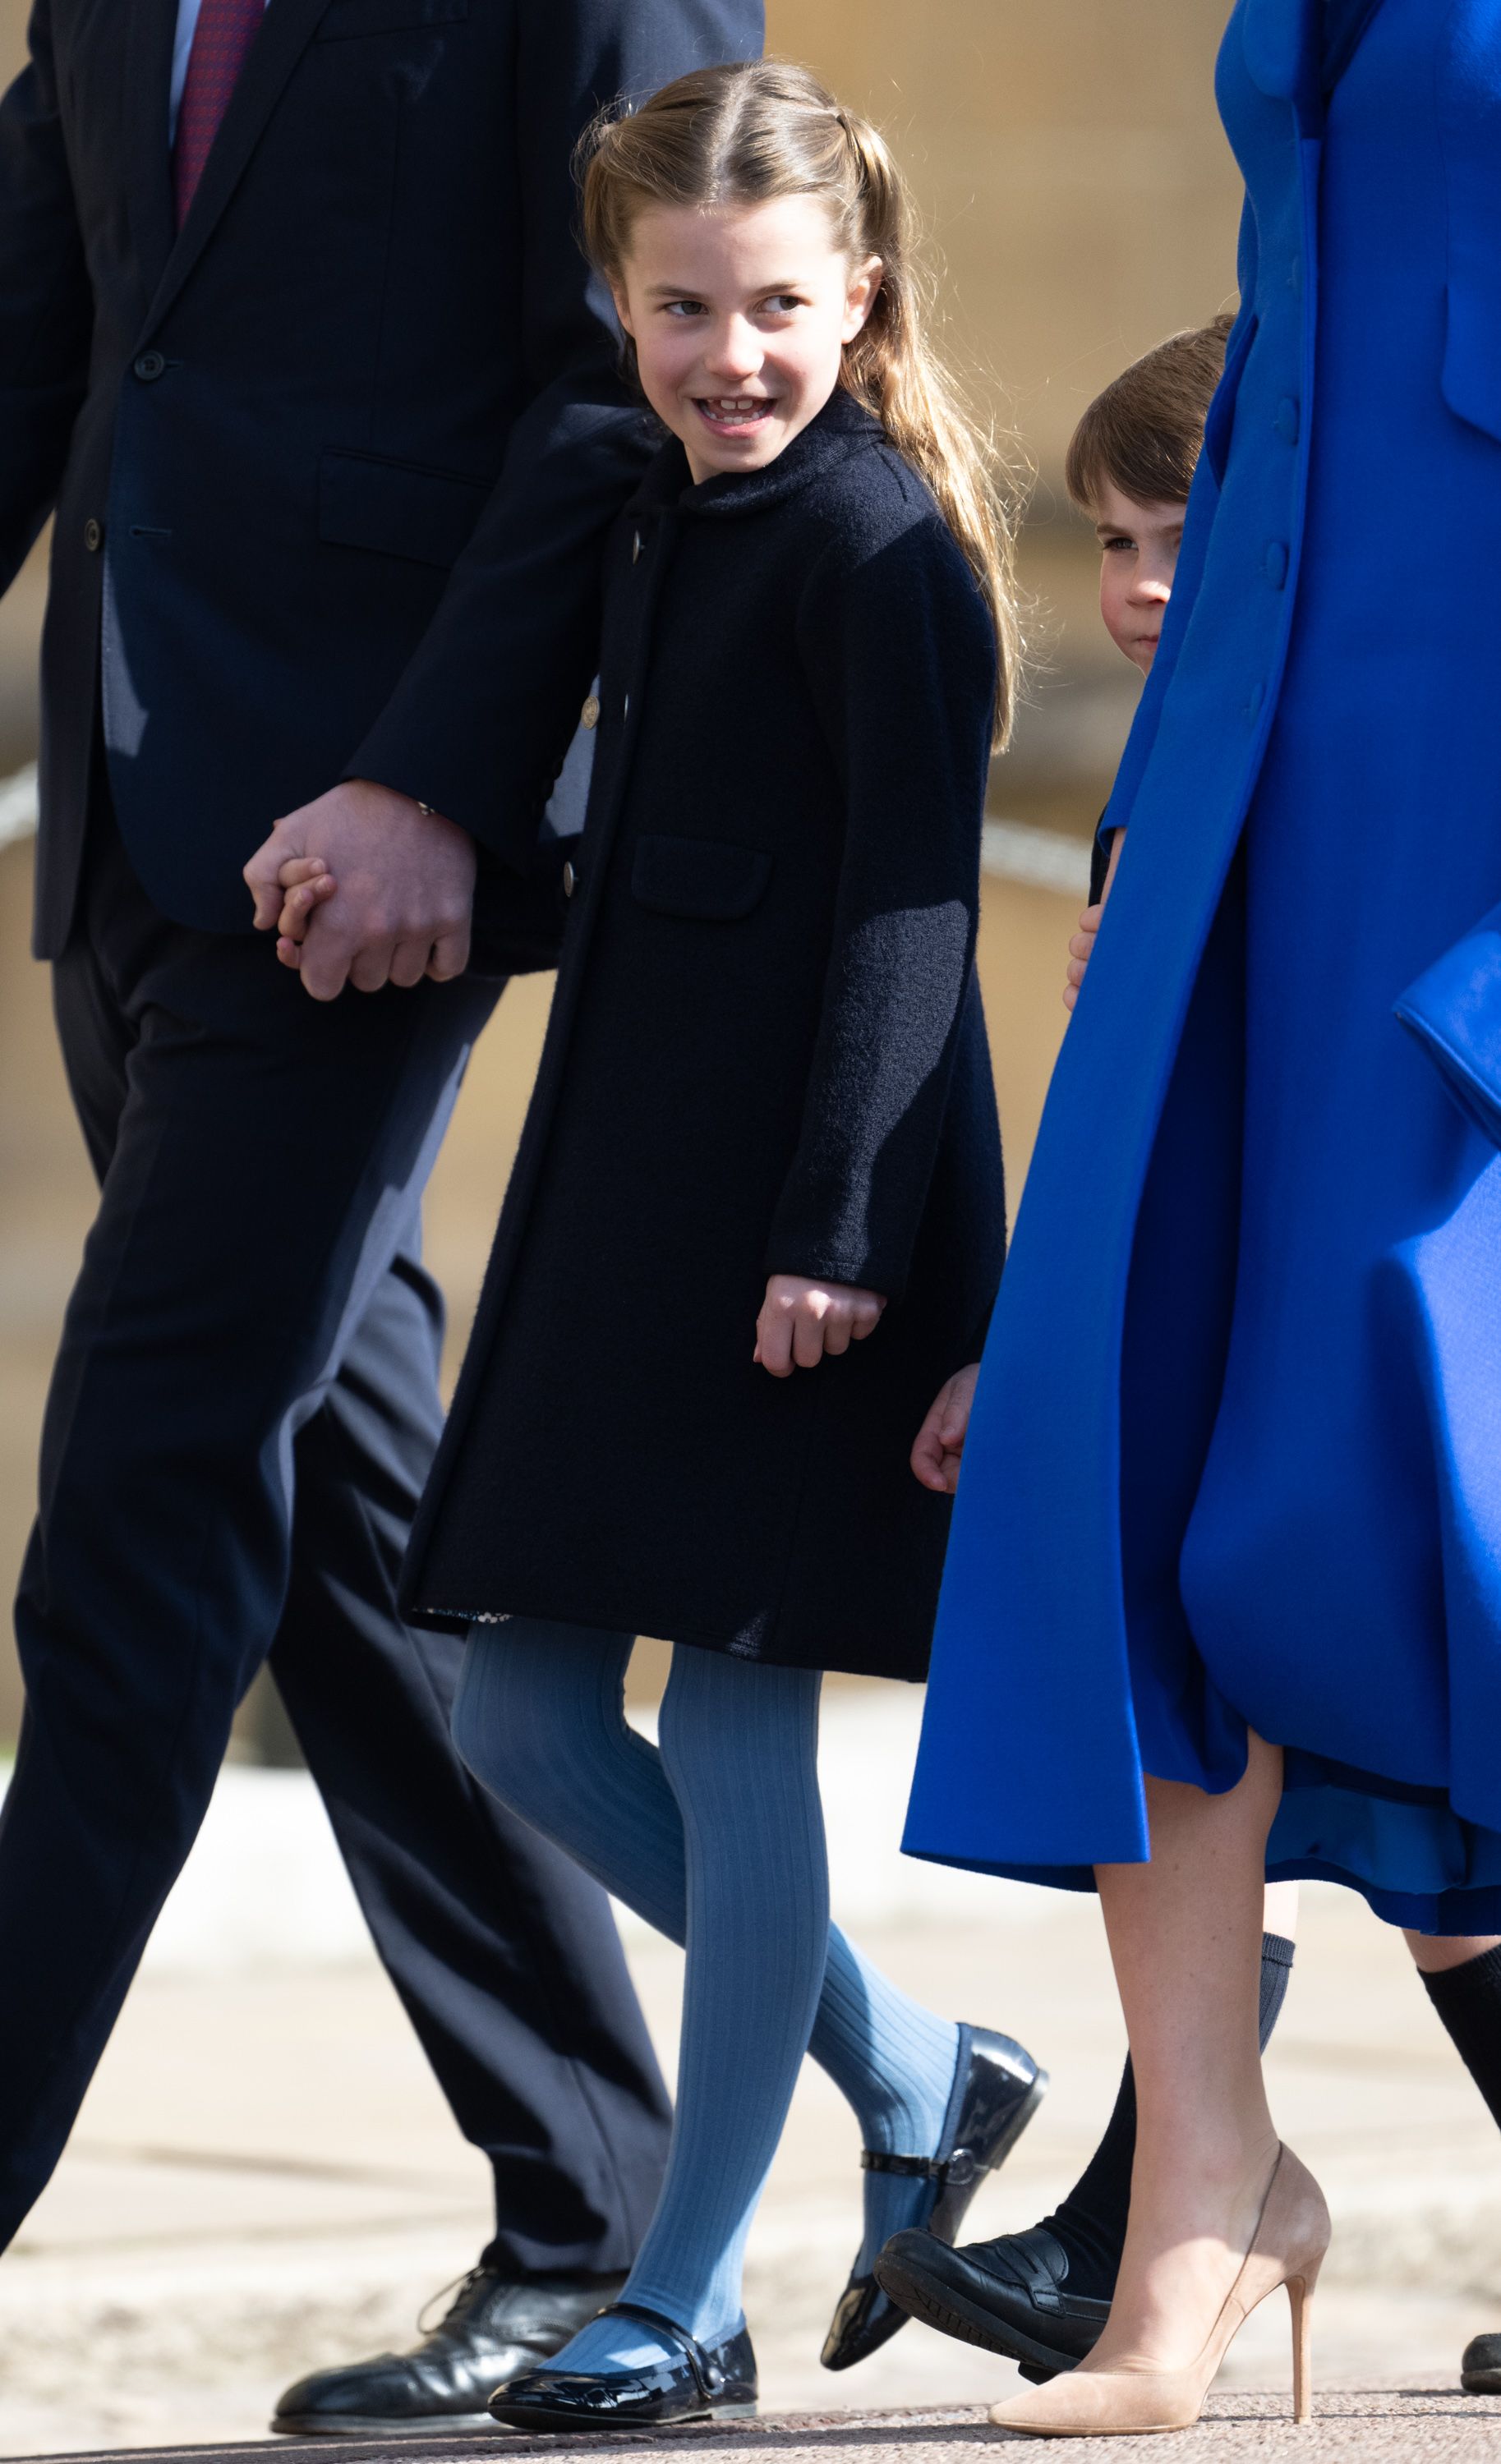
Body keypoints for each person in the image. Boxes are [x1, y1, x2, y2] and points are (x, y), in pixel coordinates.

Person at [0, 0, 760, 2435]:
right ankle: (622, 2215)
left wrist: (441, 777)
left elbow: (632, 362)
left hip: (372, 843)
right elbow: (47, 313)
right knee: (345, 1526)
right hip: (134, 825)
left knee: (137, 1520)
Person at [282, 57, 1045, 2432]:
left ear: (865, 295)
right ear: (617, 300)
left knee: (728, 1733)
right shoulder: (646, 509)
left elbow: (912, 923)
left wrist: (848, 1235)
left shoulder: (880, 553)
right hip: (624, 1199)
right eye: (682, 307)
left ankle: (686, 2293)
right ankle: (915, 2071)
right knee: (518, 1708)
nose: (732, 354)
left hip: (812, 1227)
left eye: (780, 306)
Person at [900, 0, 1501, 2431]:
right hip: (1248, 764)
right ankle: (1201, 2202)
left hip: (1459, 808)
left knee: (1417, 1488)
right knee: (1121, 1439)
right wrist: (1163, 821)